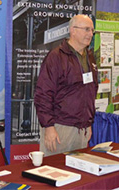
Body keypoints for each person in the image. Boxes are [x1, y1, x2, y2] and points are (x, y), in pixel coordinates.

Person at [34, 14, 98, 156]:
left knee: (78, 174)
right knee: (54, 173)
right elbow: (43, 94)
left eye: (92, 30)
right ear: (73, 30)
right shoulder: (56, 57)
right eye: (87, 29)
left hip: (82, 129)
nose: (90, 34)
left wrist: (88, 123)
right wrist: (49, 127)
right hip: (60, 128)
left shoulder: (90, 57)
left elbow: (90, 91)